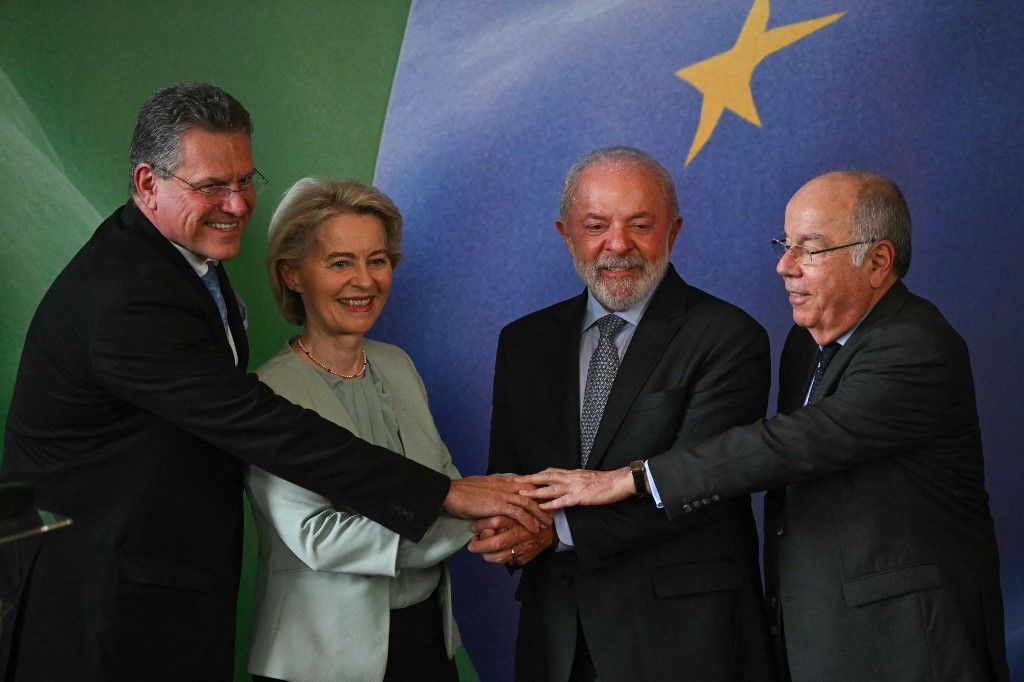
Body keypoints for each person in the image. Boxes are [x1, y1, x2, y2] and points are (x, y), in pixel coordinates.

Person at [0, 82, 542, 679]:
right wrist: (448, 500)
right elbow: (261, 427)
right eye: (211, 187)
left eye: (244, 182)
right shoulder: (129, 298)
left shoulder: (185, 267)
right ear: (147, 184)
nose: (236, 205)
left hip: (157, 596)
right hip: (99, 613)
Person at [520, 171, 1010, 681]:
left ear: (878, 262)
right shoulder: (807, 345)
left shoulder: (915, 346)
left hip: (909, 648)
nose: (784, 266)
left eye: (810, 249)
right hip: (823, 639)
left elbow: (794, 445)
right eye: (785, 244)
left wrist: (633, 477)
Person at [470, 147, 776, 680]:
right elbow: (511, 481)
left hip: (682, 642)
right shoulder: (523, 343)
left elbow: (700, 485)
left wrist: (557, 532)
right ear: (566, 234)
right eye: (596, 226)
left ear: (672, 231)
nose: (618, 245)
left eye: (640, 225)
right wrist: (509, 532)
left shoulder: (729, 337)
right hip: (557, 639)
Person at [244, 178, 472, 681]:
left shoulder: (398, 366)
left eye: (378, 260)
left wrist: (471, 509)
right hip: (321, 661)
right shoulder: (268, 390)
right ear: (292, 275)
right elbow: (319, 537)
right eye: (340, 262)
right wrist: (473, 523)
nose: (365, 281)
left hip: (428, 647)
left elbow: (443, 476)